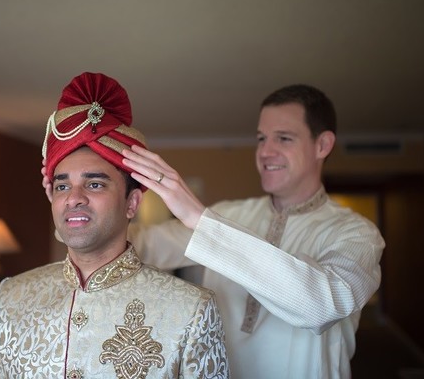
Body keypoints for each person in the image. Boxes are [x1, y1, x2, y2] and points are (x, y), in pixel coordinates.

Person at [45, 84, 385, 378]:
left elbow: (321, 306)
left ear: (322, 145)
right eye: (261, 138)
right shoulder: (229, 215)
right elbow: (144, 246)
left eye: (284, 138)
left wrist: (197, 214)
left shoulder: (356, 234)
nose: (265, 152)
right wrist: (77, 214)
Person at [0, 72, 230, 378]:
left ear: (132, 203)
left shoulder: (192, 310)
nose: (73, 198)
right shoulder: (12, 296)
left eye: (94, 185)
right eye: (62, 187)